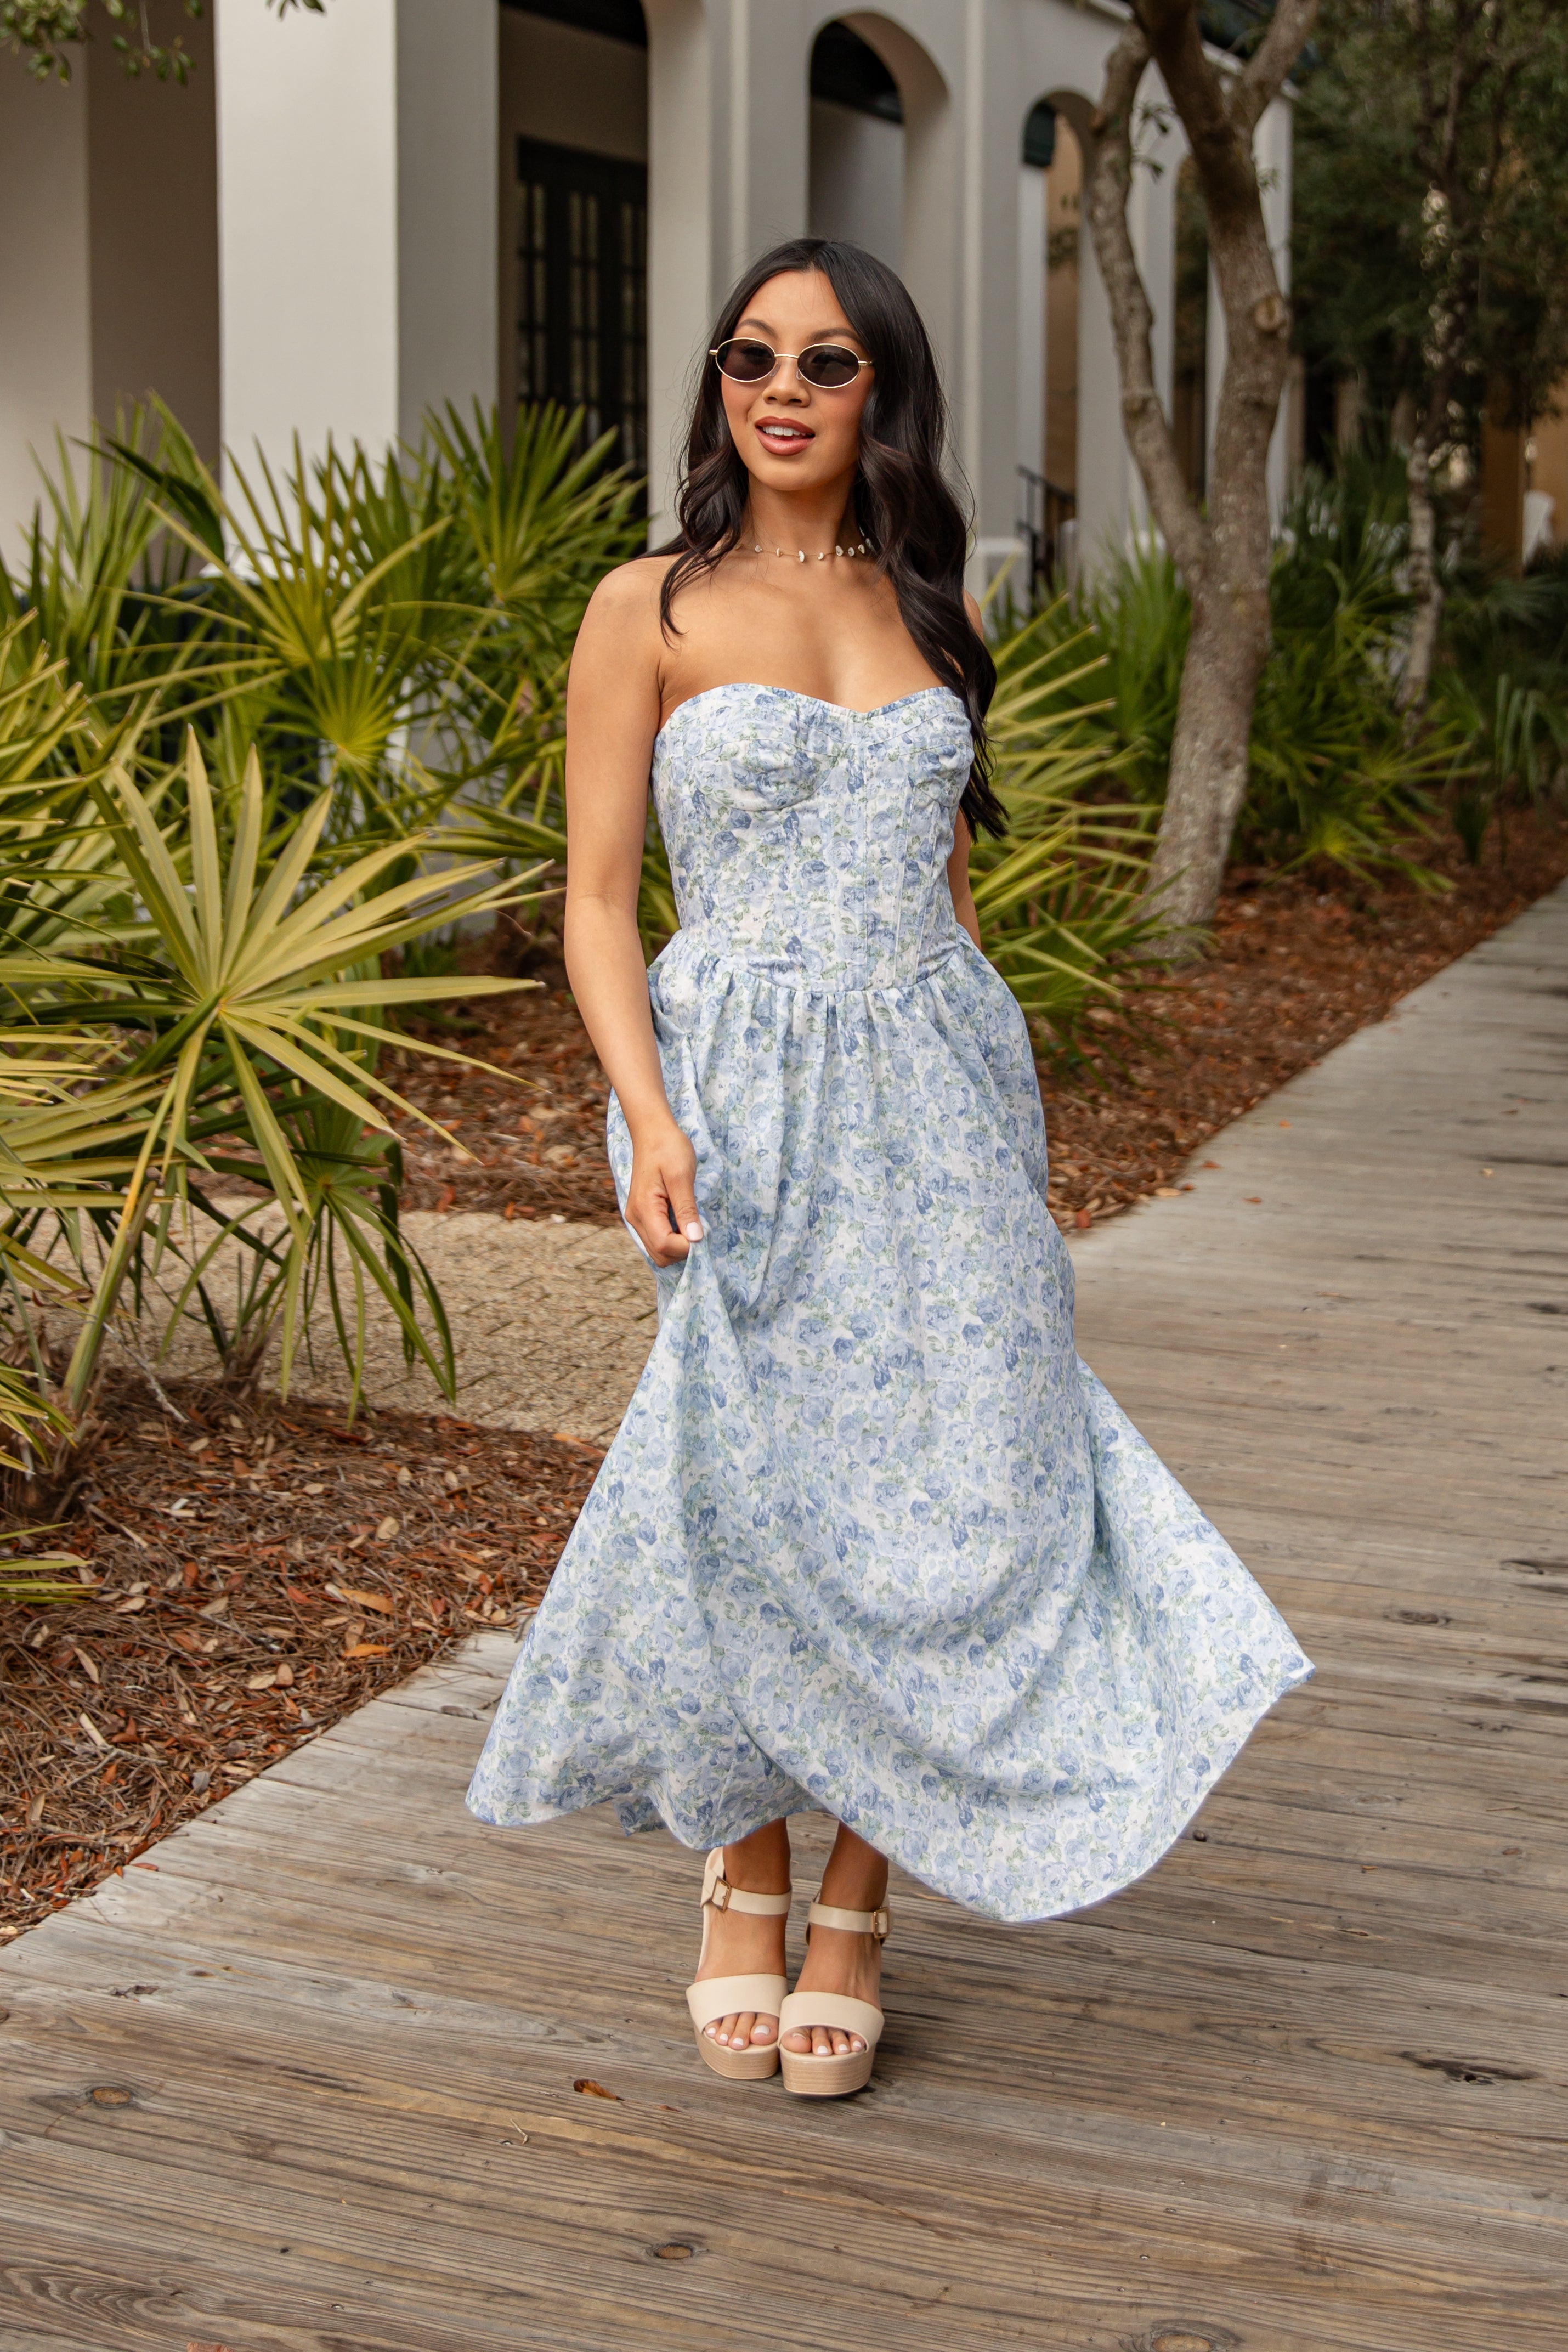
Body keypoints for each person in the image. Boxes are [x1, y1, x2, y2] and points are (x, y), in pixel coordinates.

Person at [467, 236, 1311, 2099]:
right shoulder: (647, 606)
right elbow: (595, 902)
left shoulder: (934, 611)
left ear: (878, 396)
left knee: (964, 1480)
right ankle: (742, 1864)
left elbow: (945, 884)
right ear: (717, 384)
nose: (780, 386)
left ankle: (862, 1888)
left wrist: (1011, 1123)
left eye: (826, 361)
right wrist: (651, 1116)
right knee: (752, 1481)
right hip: (738, 1090)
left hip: (939, 1086)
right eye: (751, 355)